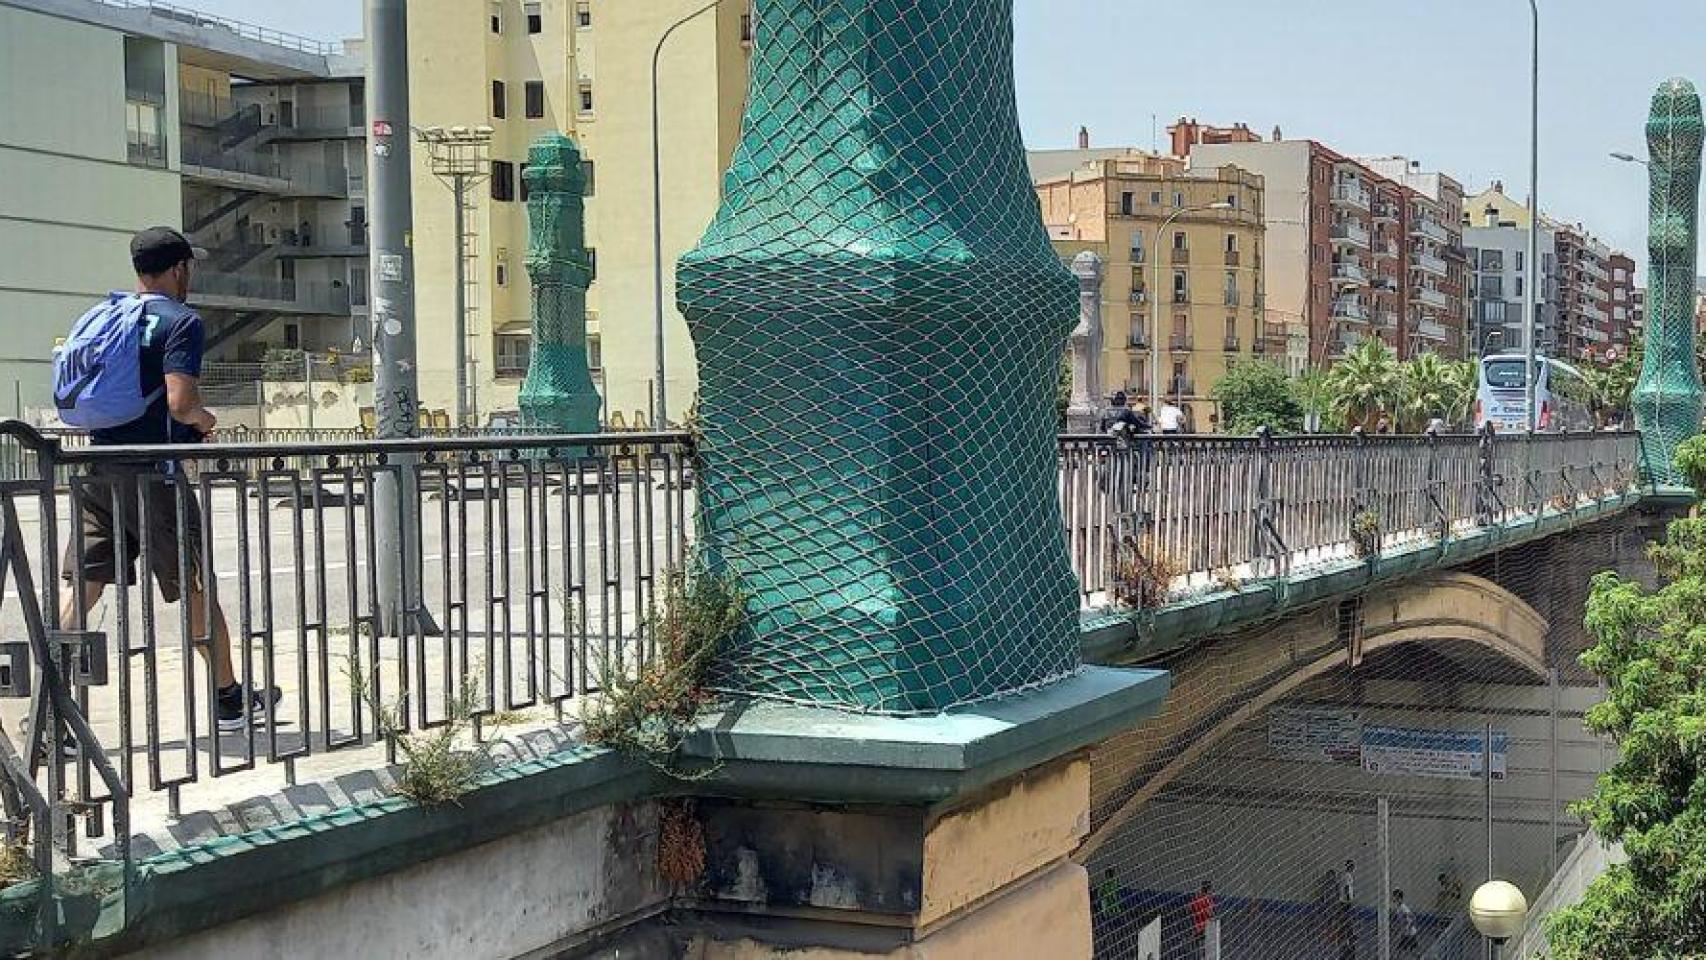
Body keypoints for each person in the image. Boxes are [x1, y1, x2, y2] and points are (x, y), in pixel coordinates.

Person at [56, 227, 281, 734]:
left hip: (98, 470)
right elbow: (180, 401)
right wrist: (205, 421)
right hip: (155, 477)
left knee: (85, 587)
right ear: (180, 268)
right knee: (196, 587)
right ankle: (229, 702)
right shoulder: (179, 322)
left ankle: (48, 710)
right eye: (189, 268)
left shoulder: (107, 318)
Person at [1188, 880, 1216, 958]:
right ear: (1209, 889)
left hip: (1196, 929)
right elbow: (1210, 914)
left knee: (1196, 952)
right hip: (1205, 930)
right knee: (1205, 952)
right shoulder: (1208, 900)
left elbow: (1189, 909)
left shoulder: (1196, 898)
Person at [1391, 888, 1421, 957]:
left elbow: (1413, 917)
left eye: (1394, 896)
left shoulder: (1403, 907)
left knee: (1400, 951)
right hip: (1407, 933)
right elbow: (1402, 920)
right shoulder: (1398, 907)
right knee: (1411, 951)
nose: (1393, 898)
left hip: (1410, 934)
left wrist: (1408, 928)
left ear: (1398, 897)